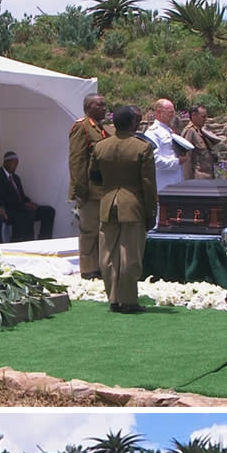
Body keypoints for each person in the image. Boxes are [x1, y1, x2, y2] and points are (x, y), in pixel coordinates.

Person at [89, 105, 157, 314]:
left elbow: (94, 176)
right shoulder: (142, 147)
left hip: (108, 202)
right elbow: (148, 184)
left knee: (107, 254)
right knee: (130, 254)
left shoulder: (101, 146)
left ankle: (113, 298)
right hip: (132, 203)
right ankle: (129, 300)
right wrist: (151, 212)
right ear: (132, 123)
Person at [68, 93, 111, 279]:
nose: (104, 108)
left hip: (103, 190)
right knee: (89, 231)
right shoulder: (82, 127)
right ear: (88, 108)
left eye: (104, 105)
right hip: (90, 191)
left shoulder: (103, 129)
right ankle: (88, 269)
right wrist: (81, 191)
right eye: (99, 105)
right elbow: (77, 161)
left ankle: (100, 266)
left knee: (103, 231)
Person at [0, 151, 55, 241]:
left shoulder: (15, 178)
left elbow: (21, 196)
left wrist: (29, 202)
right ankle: (28, 243)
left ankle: (44, 240)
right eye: (14, 163)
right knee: (28, 213)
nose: (16, 166)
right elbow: (3, 199)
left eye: (17, 163)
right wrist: (24, 205)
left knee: (49, 211)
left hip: (22, 207)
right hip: (10, 209)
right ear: (6, 162)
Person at [144, 99, 189, 193]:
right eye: (170, 112)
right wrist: (177, 162)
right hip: (163, 185)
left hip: (175, 182)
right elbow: (155, 160)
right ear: (159, 112)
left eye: (173, 112)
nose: (172, 115)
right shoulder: (153, 133)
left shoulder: (168, 131)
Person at [181, 106, 219, 180]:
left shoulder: (200, 131)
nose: (205, 119)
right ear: (194, 115)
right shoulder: (190, 132)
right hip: (198, 178)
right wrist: (188, 182)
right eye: (203, 116)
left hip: (207, 177)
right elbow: (187, 159)